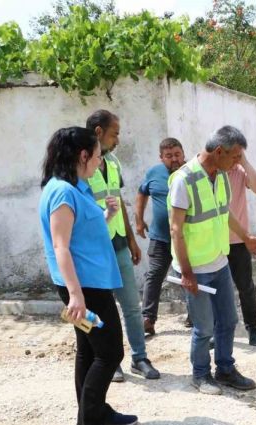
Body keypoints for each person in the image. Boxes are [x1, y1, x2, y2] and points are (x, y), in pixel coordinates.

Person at [39, 127, 138, 425]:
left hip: (90, 283)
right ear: (83, 156)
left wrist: (106, 216)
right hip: (86, 288)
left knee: (89, 349)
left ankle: (95, 414)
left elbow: (82, 231)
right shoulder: (62, 192)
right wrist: (76, 295)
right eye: (96, 156)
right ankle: (89, 423)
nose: (99, 162)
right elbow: (61, 246)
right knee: (110, 353)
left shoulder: (76, 187)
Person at [169, 125, 256, 395]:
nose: (237, 162)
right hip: (195, 268)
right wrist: (186, 272)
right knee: (203, 327)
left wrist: (246, 238)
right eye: (235, 157)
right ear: (219, 151)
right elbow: (176, 229)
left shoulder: (222, 176)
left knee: (228, 321)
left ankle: (225, 369)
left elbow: (225, 213)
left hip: (218, 261)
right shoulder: (184, 180)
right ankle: (200, 375)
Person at [86, 110, 160, 382]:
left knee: (131, 305)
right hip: (94, 249)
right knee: (100, 310)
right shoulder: (80, 166)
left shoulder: (113, 163)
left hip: (118, 243)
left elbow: (118, 201)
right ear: (98, 132)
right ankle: (108, 360)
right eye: (114, 134)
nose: (117, 140)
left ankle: (139, 357)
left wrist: (131, 239)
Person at [135, 138, 186, 336]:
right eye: (169, 156)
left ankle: (195, 316)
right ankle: (148, 319)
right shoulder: (154, 173)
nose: (174, 159)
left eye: (177, 154)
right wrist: (139, 220)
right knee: (154, 276)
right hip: (160, 237)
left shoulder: (191, 173)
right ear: (161, 157)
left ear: (183, 154)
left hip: (185, 238)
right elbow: (142, 194)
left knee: (188, 276)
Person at [227, 153, 256, 346]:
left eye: (238, 153)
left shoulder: (240, 171)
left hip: (239, 240)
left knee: (246, 287)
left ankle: (252, 327)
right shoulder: (212, 172)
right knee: (216, 290)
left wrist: (243, 161)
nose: (234, 157)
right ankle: (217, 330)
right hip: (214, 242)